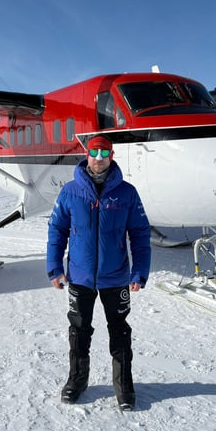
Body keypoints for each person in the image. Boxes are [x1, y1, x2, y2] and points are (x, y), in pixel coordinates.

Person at [46, 134, 151, 410]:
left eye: (104, 154)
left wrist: (139, 270)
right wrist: (55, 267)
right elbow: (57, 230)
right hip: (79, 277)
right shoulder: (70, 191)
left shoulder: (127, 193)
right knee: (79, 331)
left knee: (120, 332)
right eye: (94, 152)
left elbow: (140, 233)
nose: (99, 158)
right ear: (86, 154)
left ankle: (124, 388)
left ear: (111, 156)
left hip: (115, 277)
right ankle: (76, 381)